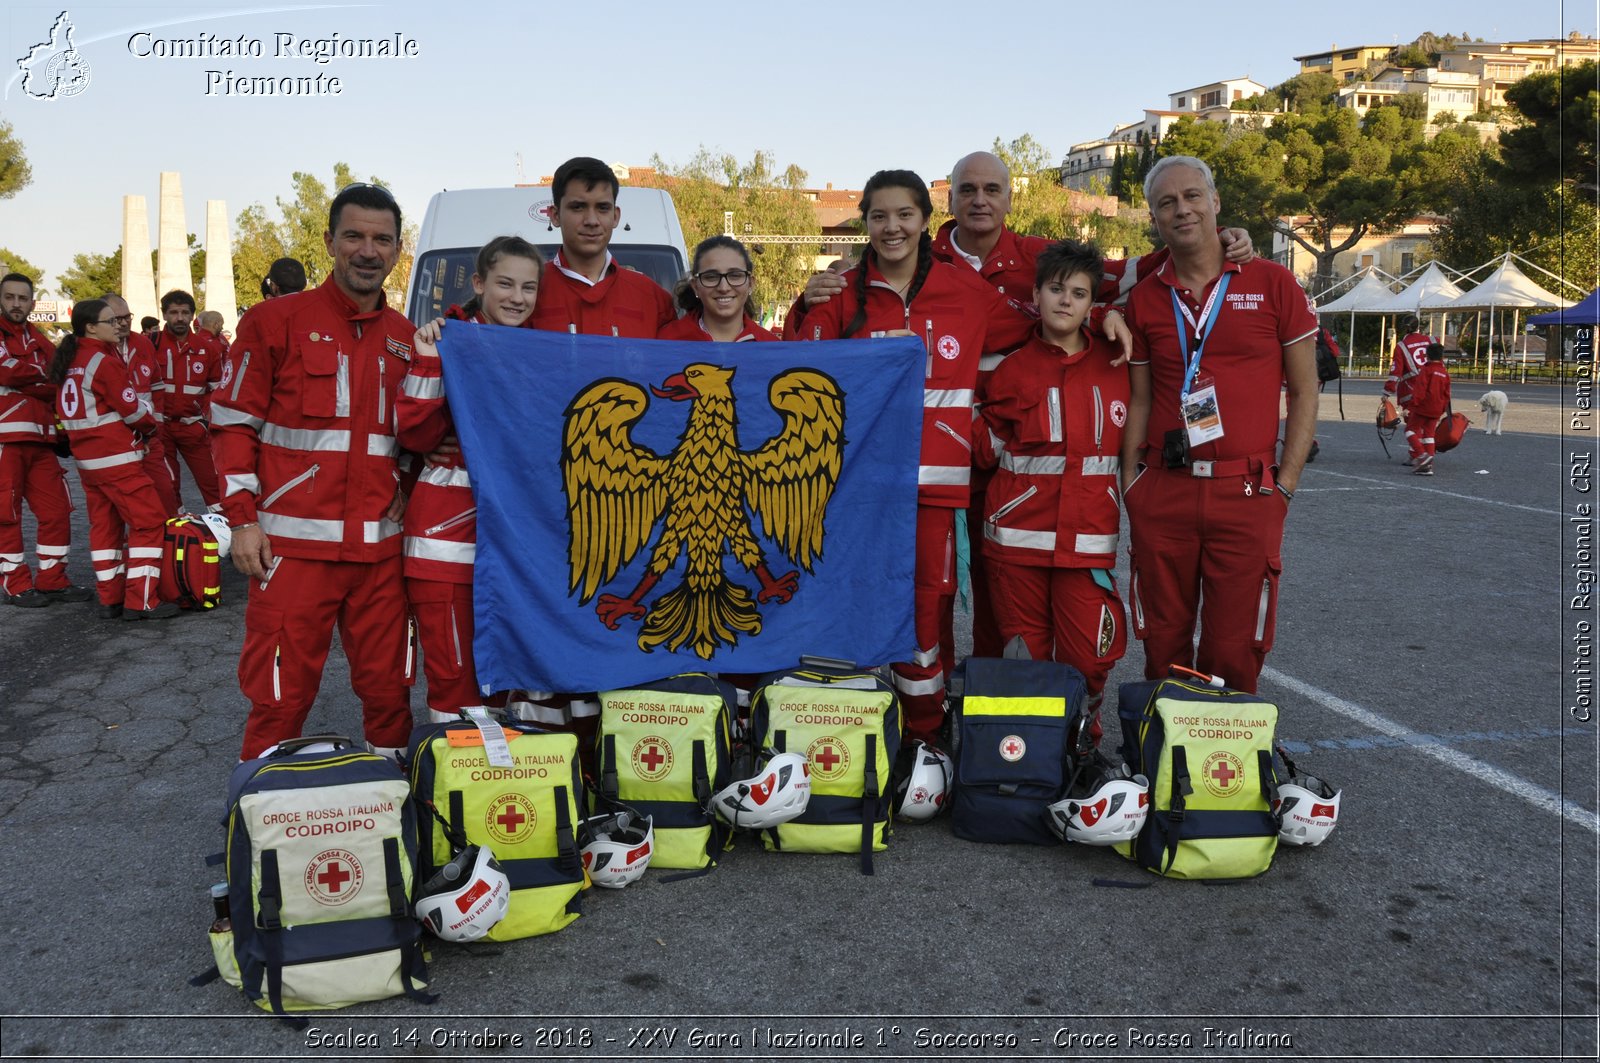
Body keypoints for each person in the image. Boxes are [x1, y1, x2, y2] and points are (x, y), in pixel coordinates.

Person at [792, 150, 1252, 659]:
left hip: (1006, 459)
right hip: (934, 456)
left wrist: (1218, 239)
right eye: (968, 190)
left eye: (993, 189)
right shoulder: (918, 259)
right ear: (947, 202)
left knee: (1000, 595)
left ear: (1011, 197)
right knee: (927, 596)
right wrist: (810, 295)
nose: (981, 200)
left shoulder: (1039, 257)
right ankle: (937, 707)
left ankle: (993, 713)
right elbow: (807, 356)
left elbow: (1117, 278)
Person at [798, 169, 1037, 749]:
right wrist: (804, 302)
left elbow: (1045, 331)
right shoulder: (841, 296)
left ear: (926, 221)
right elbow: (794, 371)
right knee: (849, 608)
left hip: (934, 496)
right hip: (857, 494)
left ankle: (925, 743)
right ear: (864, 223)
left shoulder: (966, 292)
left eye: (904, 214)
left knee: (925, 624)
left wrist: (1102, 319)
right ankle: (843, 745)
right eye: (878, 216)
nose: (892, 227)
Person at [211, 183, 417, 761]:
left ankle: (391, 809)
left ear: (399, 250)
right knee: (279, 694)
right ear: (329, 241)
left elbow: (421, 437)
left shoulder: (406, 340)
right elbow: (232, 426)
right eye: (354, 236)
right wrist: (242, 521)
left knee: (390, 690)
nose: (367, 250)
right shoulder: (275, 321)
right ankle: (258, 808)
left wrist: (411, 485)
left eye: (382, 239)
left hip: (380, 556)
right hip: (292, 552)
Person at [1120, 156, 1317, 694]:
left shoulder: (1272, 282)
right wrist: (1130, 484)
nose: (1181, 209)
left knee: (1234, 646)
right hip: (1163, 489)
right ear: (1154, 219)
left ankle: (1223, 770)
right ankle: (1163, 757)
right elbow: (1139, 400)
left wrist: (1287, 483)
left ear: (1215, 203)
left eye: (1191, 196)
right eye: (1166, 203)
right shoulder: (1143, 296)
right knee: (1163, 640)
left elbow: (1304, 389)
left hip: (1247, 490)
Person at [972, 241, 1128, 742]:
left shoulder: (1116, 363)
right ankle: (1030, 757)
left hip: (1086, 548)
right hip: (1015, 547)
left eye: (1079, 293)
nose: (1065, 301)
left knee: (1091, 656)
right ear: (1036, 294)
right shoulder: (1011, 371)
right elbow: (983, 450)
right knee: (1024, 660)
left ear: (1092, 304)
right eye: (1056, 289)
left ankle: (1083, 746)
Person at [397, 235, 544, 722]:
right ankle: (458, 789)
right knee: (456, 684)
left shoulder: (536, 349)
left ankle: (509, 789)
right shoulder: (447, 338)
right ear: (479, 283)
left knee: (513, 676)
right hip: (446, 545)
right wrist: (428, 356)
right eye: (504, 284)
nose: (517, 298)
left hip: (512, 547)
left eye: (528, 287)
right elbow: (415, 434)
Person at [47, 300, 178, 620]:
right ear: (91, 327)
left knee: (104, 529)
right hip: (118, 458)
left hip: (89, 462)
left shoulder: (69, 360)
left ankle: (111, 597)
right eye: (110, 321)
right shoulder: (102, 361)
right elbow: (132, 409)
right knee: (149, 523)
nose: (118, 326)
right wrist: (149, 429)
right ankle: (142, 599)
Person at [0, 272, 89, 606]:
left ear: (32, 303)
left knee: (58, 510)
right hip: (6, 439)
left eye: (22, 298)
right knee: (5, 515)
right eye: (9, 297)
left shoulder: (39, 339)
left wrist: (35, 379)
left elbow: (59, 383)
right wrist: (42, 377)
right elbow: (6, 372)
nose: (16, 304)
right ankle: (16, 584)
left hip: (42, 441)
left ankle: (53, 579)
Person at [527, 156, 675, 338]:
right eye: (578, 207)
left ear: (615, 216)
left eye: (602, 208)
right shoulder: (526, 294)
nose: (591, 220)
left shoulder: (653, 299)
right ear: (555, 215)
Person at [101, 293, 178, 516]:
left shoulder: (143, 343)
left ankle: (170, 544)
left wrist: (157, 427)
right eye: (117, 318)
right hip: (114, 441)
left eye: (127, 317)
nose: (124, 322)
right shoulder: (96, 348)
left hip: (149, 435)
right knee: (121, 507)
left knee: (165, 490)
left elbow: (156, 386)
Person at [153, 289, 224, 512]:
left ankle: (225, 532)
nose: (180, 317)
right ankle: (177, 533)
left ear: (193, 316)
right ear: (164, 315)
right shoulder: (150, 345)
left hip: (193, 427)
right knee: (167, 485)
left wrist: (206, 422)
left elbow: (217, 390)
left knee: (213, 483)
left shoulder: (208, 349)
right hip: (161, 428)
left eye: (185, 312)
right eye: (174, 312)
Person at [658, 236, 778, 343]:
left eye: (735, 275)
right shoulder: (666, 342)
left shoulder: (771, 347)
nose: (723, 288)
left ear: (750, 284)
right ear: (695, 286)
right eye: (711, 277)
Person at [1385, 314, 1434, 466]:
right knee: (1429, 427)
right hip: (1433, 389)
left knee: (1414, 426)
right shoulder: (1432, 341)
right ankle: (1429, 454)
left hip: (1411, 391)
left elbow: (1396, 372)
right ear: (1419, 326)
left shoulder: (1402, 346)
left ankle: (1417, 454)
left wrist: (1387, 391)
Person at [1406, 343, 1451, 475]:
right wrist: (1442, 408)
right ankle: (1428, 465)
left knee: (1410, 430)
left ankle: (1421, 455)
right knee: (1429, 435)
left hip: (1423, 407)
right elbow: (1447, 394)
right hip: (1437, 409)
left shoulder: (1426, 370)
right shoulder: (1444, 372)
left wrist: (1411, 407)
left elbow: (1420, 390)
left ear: (1427, 355)